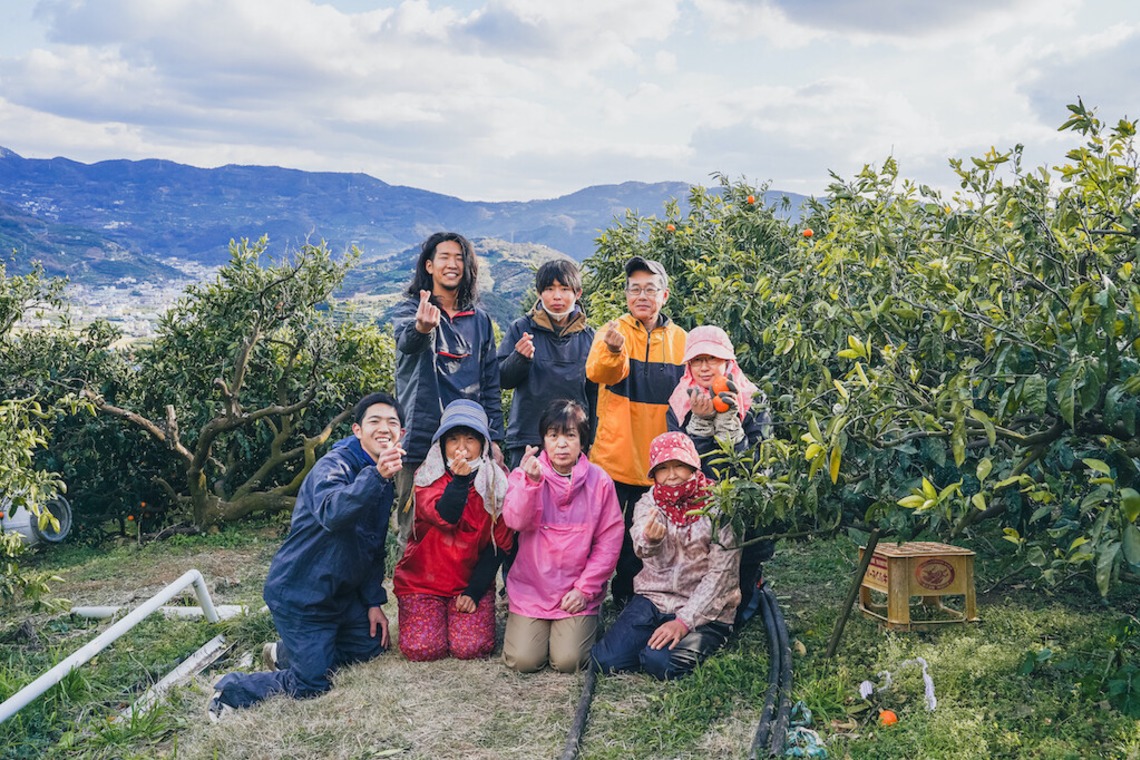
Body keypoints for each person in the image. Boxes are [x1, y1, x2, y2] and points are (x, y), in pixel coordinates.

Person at [208, 392, 405, 720]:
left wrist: (373, 602)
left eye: (393, 423)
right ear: (357, 429)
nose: (384, 428)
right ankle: (230, 690)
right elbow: (333, 513)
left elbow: (372, 545)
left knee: (372, 647)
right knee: (313, 683)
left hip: (340, 596)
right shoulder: (335, 465)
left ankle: (286, 652)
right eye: (375, 421)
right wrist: (377, 476)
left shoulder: (381, 473)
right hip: (302, 595)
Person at [591, 432, 740, 681]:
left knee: (659, 663)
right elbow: (640, 543)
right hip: (654, 598)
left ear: (693, 464)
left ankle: (704, 636)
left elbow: (722, 575)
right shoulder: (649, 503)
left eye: (679, 465)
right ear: (654, 474)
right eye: (663, 468)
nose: (672, 475)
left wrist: (683, 622)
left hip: (702, 604)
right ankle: (650, 641)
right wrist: (650, 540)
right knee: (605, 660)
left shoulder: (718, 507)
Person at [391, 232, 504, 551]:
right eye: (445, 257)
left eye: (460, 258)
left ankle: (463, 599)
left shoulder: (480, 321)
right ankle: (414, 598)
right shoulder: (411, 310)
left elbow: (490, 382)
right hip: (418, 432)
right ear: (429, 265)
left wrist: (494, 439)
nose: (452, 264)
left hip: (466, 438)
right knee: (414, 528)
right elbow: (406, 342)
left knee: (467, 524)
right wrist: (421, 329)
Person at [585, 256, 686, 608]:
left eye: (649, 289)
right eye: (634, 289)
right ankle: (591, 595)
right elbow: (599, 373)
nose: (641, 295)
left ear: (665, 295)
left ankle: (631, 594)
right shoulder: (613, 332)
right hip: (615, 455)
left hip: (658, 461)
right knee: (605, 531)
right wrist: (614, 350)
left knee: (645, 532)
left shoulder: (681, 340)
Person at [501, 400, 623, 673]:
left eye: (570, 435)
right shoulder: (525, 474)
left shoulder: (600, 481)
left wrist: (585, 589)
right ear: (544, 440)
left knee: (569, 661)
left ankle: (585, 620)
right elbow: (515, 522)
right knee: (524, 661)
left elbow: (609, 540)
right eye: (553, 435)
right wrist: (530, 485)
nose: (562, 444)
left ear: (583, 441)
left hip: (576, 591)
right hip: (532, 588)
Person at [666, 325, 773, 625]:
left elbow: (756, 463)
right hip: (700, 502)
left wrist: (728, 424)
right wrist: (699, 425)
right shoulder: (680, 403)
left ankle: (743, 601)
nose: (704, 366)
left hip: (741, 500)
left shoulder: (752, 402)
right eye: (697, 359)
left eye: (712, 358)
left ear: (728, 362)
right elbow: (679, 462)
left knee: (744, 565)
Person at [392, 399, 514, 662]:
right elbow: (445, 517)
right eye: (454, 439)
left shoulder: (497, 483)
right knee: (422, 649)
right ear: (442, 445)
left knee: (470, 648)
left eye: (470, 439)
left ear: (483, 443)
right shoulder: (427, 478)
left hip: (468, 581)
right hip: (423, 580)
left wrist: (473, 591)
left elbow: (501, 545)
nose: (462, 448)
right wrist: (460, 481)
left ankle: (459, 611)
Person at [498, 259, 597, 469]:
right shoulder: (521, 328)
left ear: (578, 294)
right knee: (526, 498)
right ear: (539, 293)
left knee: (569, 501)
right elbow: (502, 379)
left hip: (572, 440)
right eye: (549, 289)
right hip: (528, 438)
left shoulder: (589, 338)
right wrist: (520, 358)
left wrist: (592, 440)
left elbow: (595, 395)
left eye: (564, 289)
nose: (557, 296)